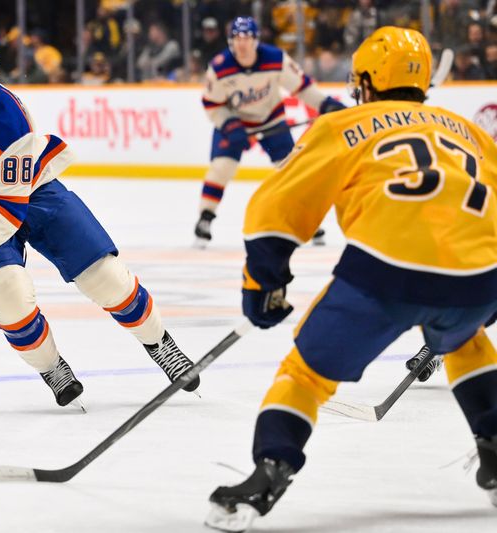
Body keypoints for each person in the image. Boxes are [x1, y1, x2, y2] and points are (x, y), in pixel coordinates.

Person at [205, 27, 497, 532]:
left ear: (365, 79)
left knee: (305, 375)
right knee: (467, 339)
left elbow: (273, 213)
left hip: (384, 275)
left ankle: (270, 469)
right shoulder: (465, 129)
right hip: (479, 276)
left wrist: (263, 283)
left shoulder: (343, 122)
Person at [0, 31, 200, 408]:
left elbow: (4, 211)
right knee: (8, 296)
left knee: (105, 277)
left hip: (32, 196)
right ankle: (52, 367)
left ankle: (158, 342)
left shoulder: (11, 125)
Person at [194, 16, 344, 248]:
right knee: (221, 168)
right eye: (236, 38)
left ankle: (308, 221)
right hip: (236, 123)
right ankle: (205, 218)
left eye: (246, 38)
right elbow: (212, 104)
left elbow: (301, 86)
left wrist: (325, 104)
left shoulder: (275, 58)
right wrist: (229, 124)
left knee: (291, 170)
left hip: (271, 120)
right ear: (230, 41)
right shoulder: (220, 66)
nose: (242, 44)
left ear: (256, 40)